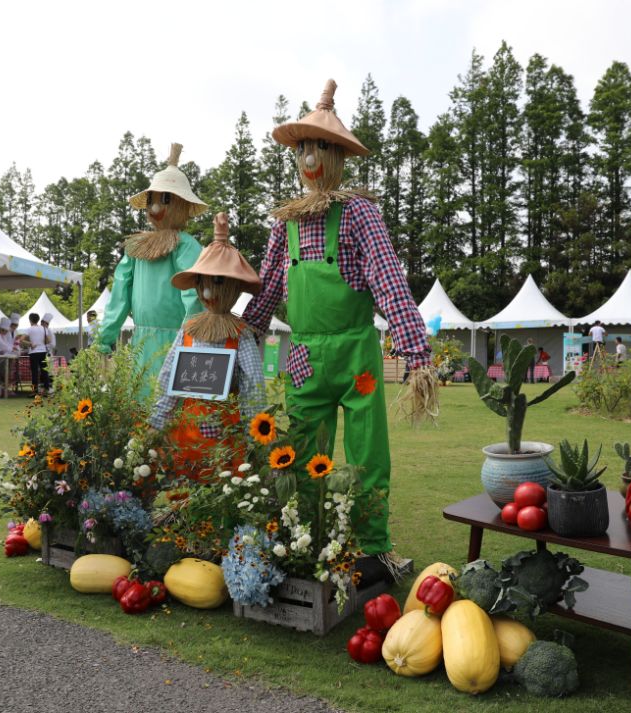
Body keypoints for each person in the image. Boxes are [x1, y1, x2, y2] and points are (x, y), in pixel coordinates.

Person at [243, 79, 433, 583]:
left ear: (339, 156)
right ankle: (308, 537)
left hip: (355, 353)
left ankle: (372, 546)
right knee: (303, 449)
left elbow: (388, 279)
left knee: (368, 450)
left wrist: (414, 349)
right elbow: (267, 289)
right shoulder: (284, 224)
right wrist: (240, 332)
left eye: (319, 147)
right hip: (303, 353)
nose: (309, 158)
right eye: (303, 147)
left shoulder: (360, 213)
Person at [151, 213, 265, 481]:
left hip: (226, 435)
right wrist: (157, 422)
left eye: (219, 282)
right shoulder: (189, 329)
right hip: (186, 433)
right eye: (203, 282)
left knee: (223, 493)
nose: (208, 292)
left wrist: (255, 433)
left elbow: (253, 388)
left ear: (235, 286)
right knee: (187, 493)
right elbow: (168, 378)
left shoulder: (240, 335)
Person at [97, 143, 205, 389]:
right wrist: (105, 338)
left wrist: (192, 337)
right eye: (153, 199)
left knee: (171, 410)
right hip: (141, 343)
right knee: (139, 405)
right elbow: (120, 294)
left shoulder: (185, 246)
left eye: (165, 199)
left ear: (180, 204)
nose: (156, 207)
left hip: (177, 342)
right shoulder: (137, 247)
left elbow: (193, 292)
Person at [27, 312, 54, 394]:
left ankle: (34, 391)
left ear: (30, 320)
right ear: (39, 320)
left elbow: (21, 339)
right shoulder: (44, 329)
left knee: (34, 372)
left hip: (33, 352)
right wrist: (41, 343)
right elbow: (48, 341)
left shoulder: (29, 329)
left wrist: (30, 343)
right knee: (44, 372)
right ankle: (47, 389)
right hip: (43, 351)